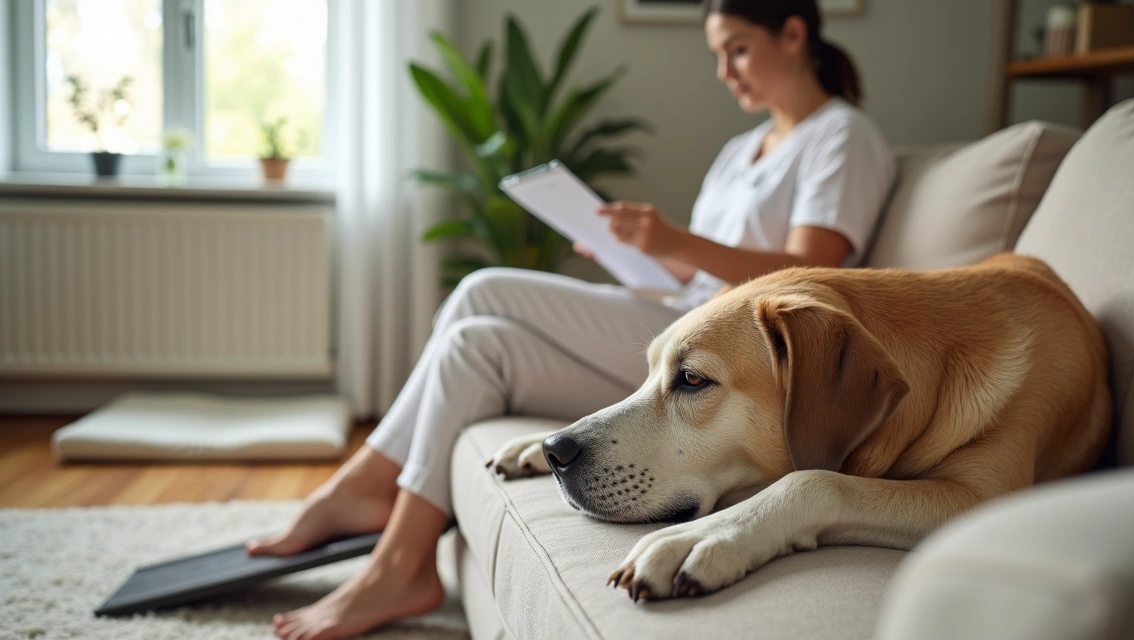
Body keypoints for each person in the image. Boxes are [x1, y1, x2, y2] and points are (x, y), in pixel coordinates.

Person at [256, 1, 896, 638]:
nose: (726, 71)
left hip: (726, 357)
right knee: (475, 342)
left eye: (737, 49)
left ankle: (372, 497)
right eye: (717, 55)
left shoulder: (843, 136)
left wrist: (672, 239)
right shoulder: (742, 150)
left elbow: (807, 268)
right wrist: (640, 253)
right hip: (680, 324)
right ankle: (388, 533)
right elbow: (695, 275)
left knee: (482, 289)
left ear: (793, 35)